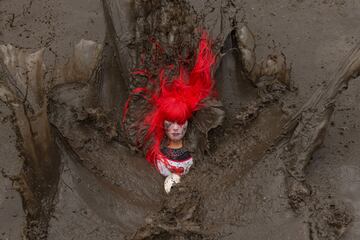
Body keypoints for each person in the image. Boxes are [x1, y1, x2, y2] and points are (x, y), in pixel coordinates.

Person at [123, 32, 216, 191]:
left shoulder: (194, 148)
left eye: (180, 122)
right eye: (171, 122)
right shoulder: (155, 149)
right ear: (162, 122)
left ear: (187, 122)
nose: (175, 128)